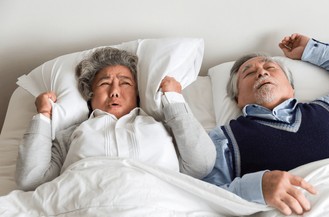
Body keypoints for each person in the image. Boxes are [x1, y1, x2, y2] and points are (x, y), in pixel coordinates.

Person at [202, 33, 329, 216]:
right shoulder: (224, 137)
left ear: (292, 88)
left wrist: (310, 50)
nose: (261, 72)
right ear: (238, 99)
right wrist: (257, 187)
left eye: (270, 67)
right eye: (249, 73)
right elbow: (209, 197)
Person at [16, 47, 216, 191]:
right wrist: (43, 115)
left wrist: (173, 99)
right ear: (90, 94)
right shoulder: (70, 135)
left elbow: (201, 164)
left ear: (138, 92)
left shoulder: (163, 126)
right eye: (104, 83)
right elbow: (31, 180)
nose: (114, 92)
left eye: (125, 83)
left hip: (158, 205)